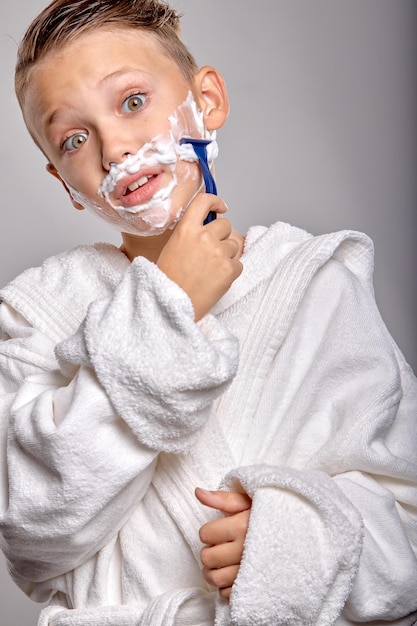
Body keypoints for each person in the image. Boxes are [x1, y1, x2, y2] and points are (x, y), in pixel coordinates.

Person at [0, 0, 416, 624]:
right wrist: (168, 309)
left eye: (132, 101)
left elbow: (407, 528)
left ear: (208, 101)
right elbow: (30, 532)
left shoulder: (314, 285)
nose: (114, 148)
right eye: (75, 139)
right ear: (65, 182)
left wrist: (292, 543)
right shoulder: (39, 315)